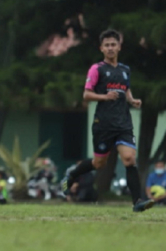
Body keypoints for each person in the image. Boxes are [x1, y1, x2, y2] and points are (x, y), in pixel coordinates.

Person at [62, 29, 154, 213]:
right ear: (101, 48)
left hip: (124, 124)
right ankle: (72, 174)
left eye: (113, 45)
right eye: (107, 45)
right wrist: (104, 96)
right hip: (103, 124)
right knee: (99, 164)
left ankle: (137, 202)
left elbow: (125, 90)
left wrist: (132, 100)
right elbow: (86, 94)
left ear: (119, 47)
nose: (110, 48)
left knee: (129, 159)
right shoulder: (97, 69)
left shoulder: (125, 70)